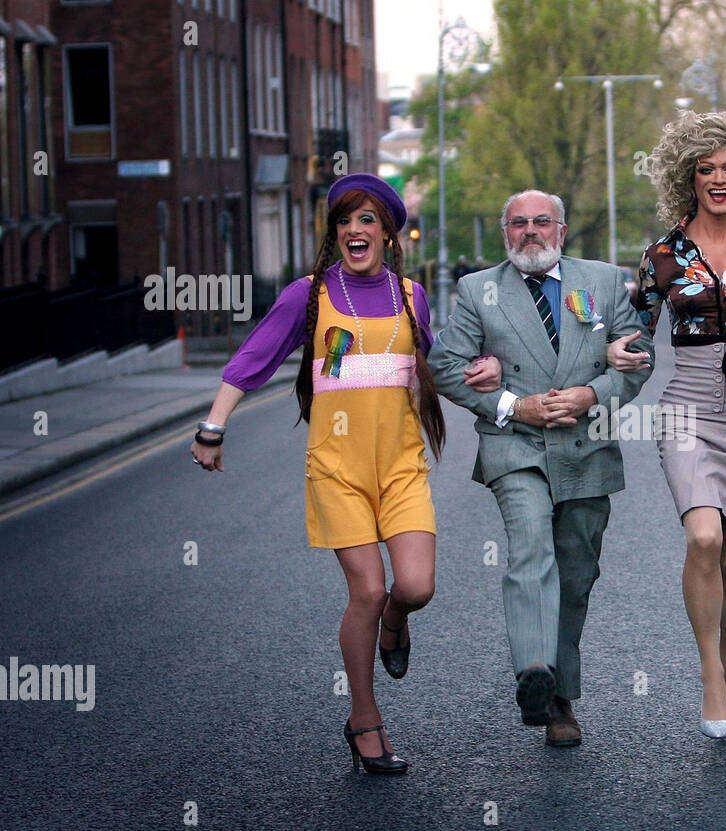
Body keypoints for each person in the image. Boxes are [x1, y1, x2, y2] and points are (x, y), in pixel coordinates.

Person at [190, 173, 501, 774]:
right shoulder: (308, 295)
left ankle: (394, 622)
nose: (355, 231)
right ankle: (364, 720)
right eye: (344, 221)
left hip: (402, 467)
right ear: (334, 234)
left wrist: (486, 374)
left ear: (388, 231)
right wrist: (213, 426)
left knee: (413, 589)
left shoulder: (413, 296)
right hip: (337, 470)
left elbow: (436, 363)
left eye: (366, 221)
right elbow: (255, 358)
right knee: (365, 587)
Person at [427, 189, 653, 747]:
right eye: (519, 223)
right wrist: (510, 404)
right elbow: (444, 366)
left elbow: (637, 354)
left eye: (542, 222)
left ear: (562, 229)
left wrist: (591, 393)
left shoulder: (601, 281)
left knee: (576, 574)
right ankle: (533, 669)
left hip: (586, 443)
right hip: (517, 443)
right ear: (506, 233)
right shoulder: (477, 291)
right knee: (531, 543)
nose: (531, 232)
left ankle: (559, 696)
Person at [619, 111, 726, 739]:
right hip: (687, 404)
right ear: (686, 177)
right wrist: (621, 348)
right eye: (705, 169)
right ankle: (710, 677)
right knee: (703, 539)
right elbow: (635, 327)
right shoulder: (663, 254)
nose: (718, 179)